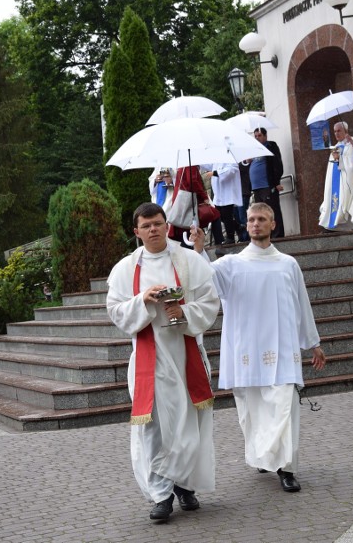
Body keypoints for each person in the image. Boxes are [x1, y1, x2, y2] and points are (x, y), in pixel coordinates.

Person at [191, 202, 326, 492]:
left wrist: (312, 343)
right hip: (246, 351)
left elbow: (302, 304)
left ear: (272, 224)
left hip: (282, 350)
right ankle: (264, 457)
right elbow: (204, 282)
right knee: (251, 413)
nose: (255, 223)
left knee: (284, 408)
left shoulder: (288, 264)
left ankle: (287, 468)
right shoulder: (231, 265)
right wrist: (199, 249)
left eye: (261, 219)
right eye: (251, 219)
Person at [106, 202, 220, 522]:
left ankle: (184, 485)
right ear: (136, 231)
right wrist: (143, 300)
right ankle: (161, 495)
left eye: (158, 223)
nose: (153, 229)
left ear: (167, 225)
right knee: (154, 429)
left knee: (188, 425)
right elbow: (116, 311)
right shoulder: (126, 269)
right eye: (146, 226)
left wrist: (182, 311)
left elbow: (210, 301)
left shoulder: (190, 260)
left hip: (185, 355)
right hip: (149, 359)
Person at [318, 121, 353, 231]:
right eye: (335, 131)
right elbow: (331, 168)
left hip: (346, 181)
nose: (336, 133)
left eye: (339, 131)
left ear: (346, 131)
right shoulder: (336, 147)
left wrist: (340, 159)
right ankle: (331, 223)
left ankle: (346, 224)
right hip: (336, 181)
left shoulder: (351, 145)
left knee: (345, 202)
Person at [251, 128, 285, 238]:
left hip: (267, 185)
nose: (257, 138)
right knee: (261, 212)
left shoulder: (270, 146)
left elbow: (277, 165)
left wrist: (276, 182)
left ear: (265, 136)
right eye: (255, 136)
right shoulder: (254, 149)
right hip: (256, 187)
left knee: (272, 210)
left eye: (259, 135)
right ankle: (266, 233)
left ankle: (277, 234)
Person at [205, 162, 242, 245]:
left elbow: (231, 170)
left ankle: (230, 238)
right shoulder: (217, 157)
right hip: (218, 193)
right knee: (220, 215)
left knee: (227, 215)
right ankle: (238, 227)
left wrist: (215, 173)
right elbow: (210, 165)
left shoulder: (230, 158)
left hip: (227, 193)